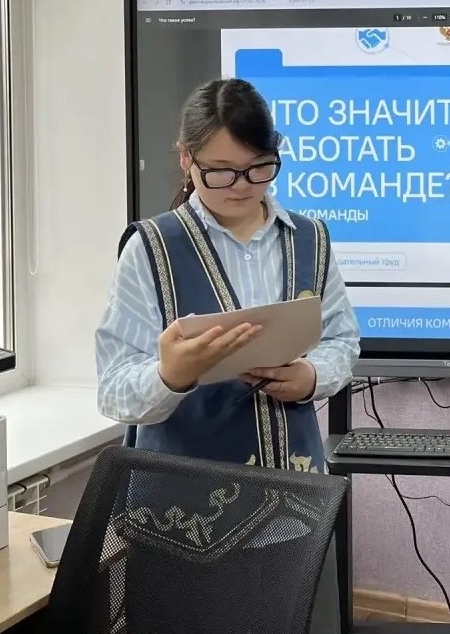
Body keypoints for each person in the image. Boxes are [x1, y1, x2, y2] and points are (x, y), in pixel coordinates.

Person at [95, 77, 361, 474]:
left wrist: (311, 375)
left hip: (294, 490)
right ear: (186, 159)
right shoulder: (151, 248)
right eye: (221, 172)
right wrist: (169, 376)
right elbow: (112, 391)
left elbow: (342, 340)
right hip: (183, 495)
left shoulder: (310, 239)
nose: (242, 186)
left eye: (259, 167)